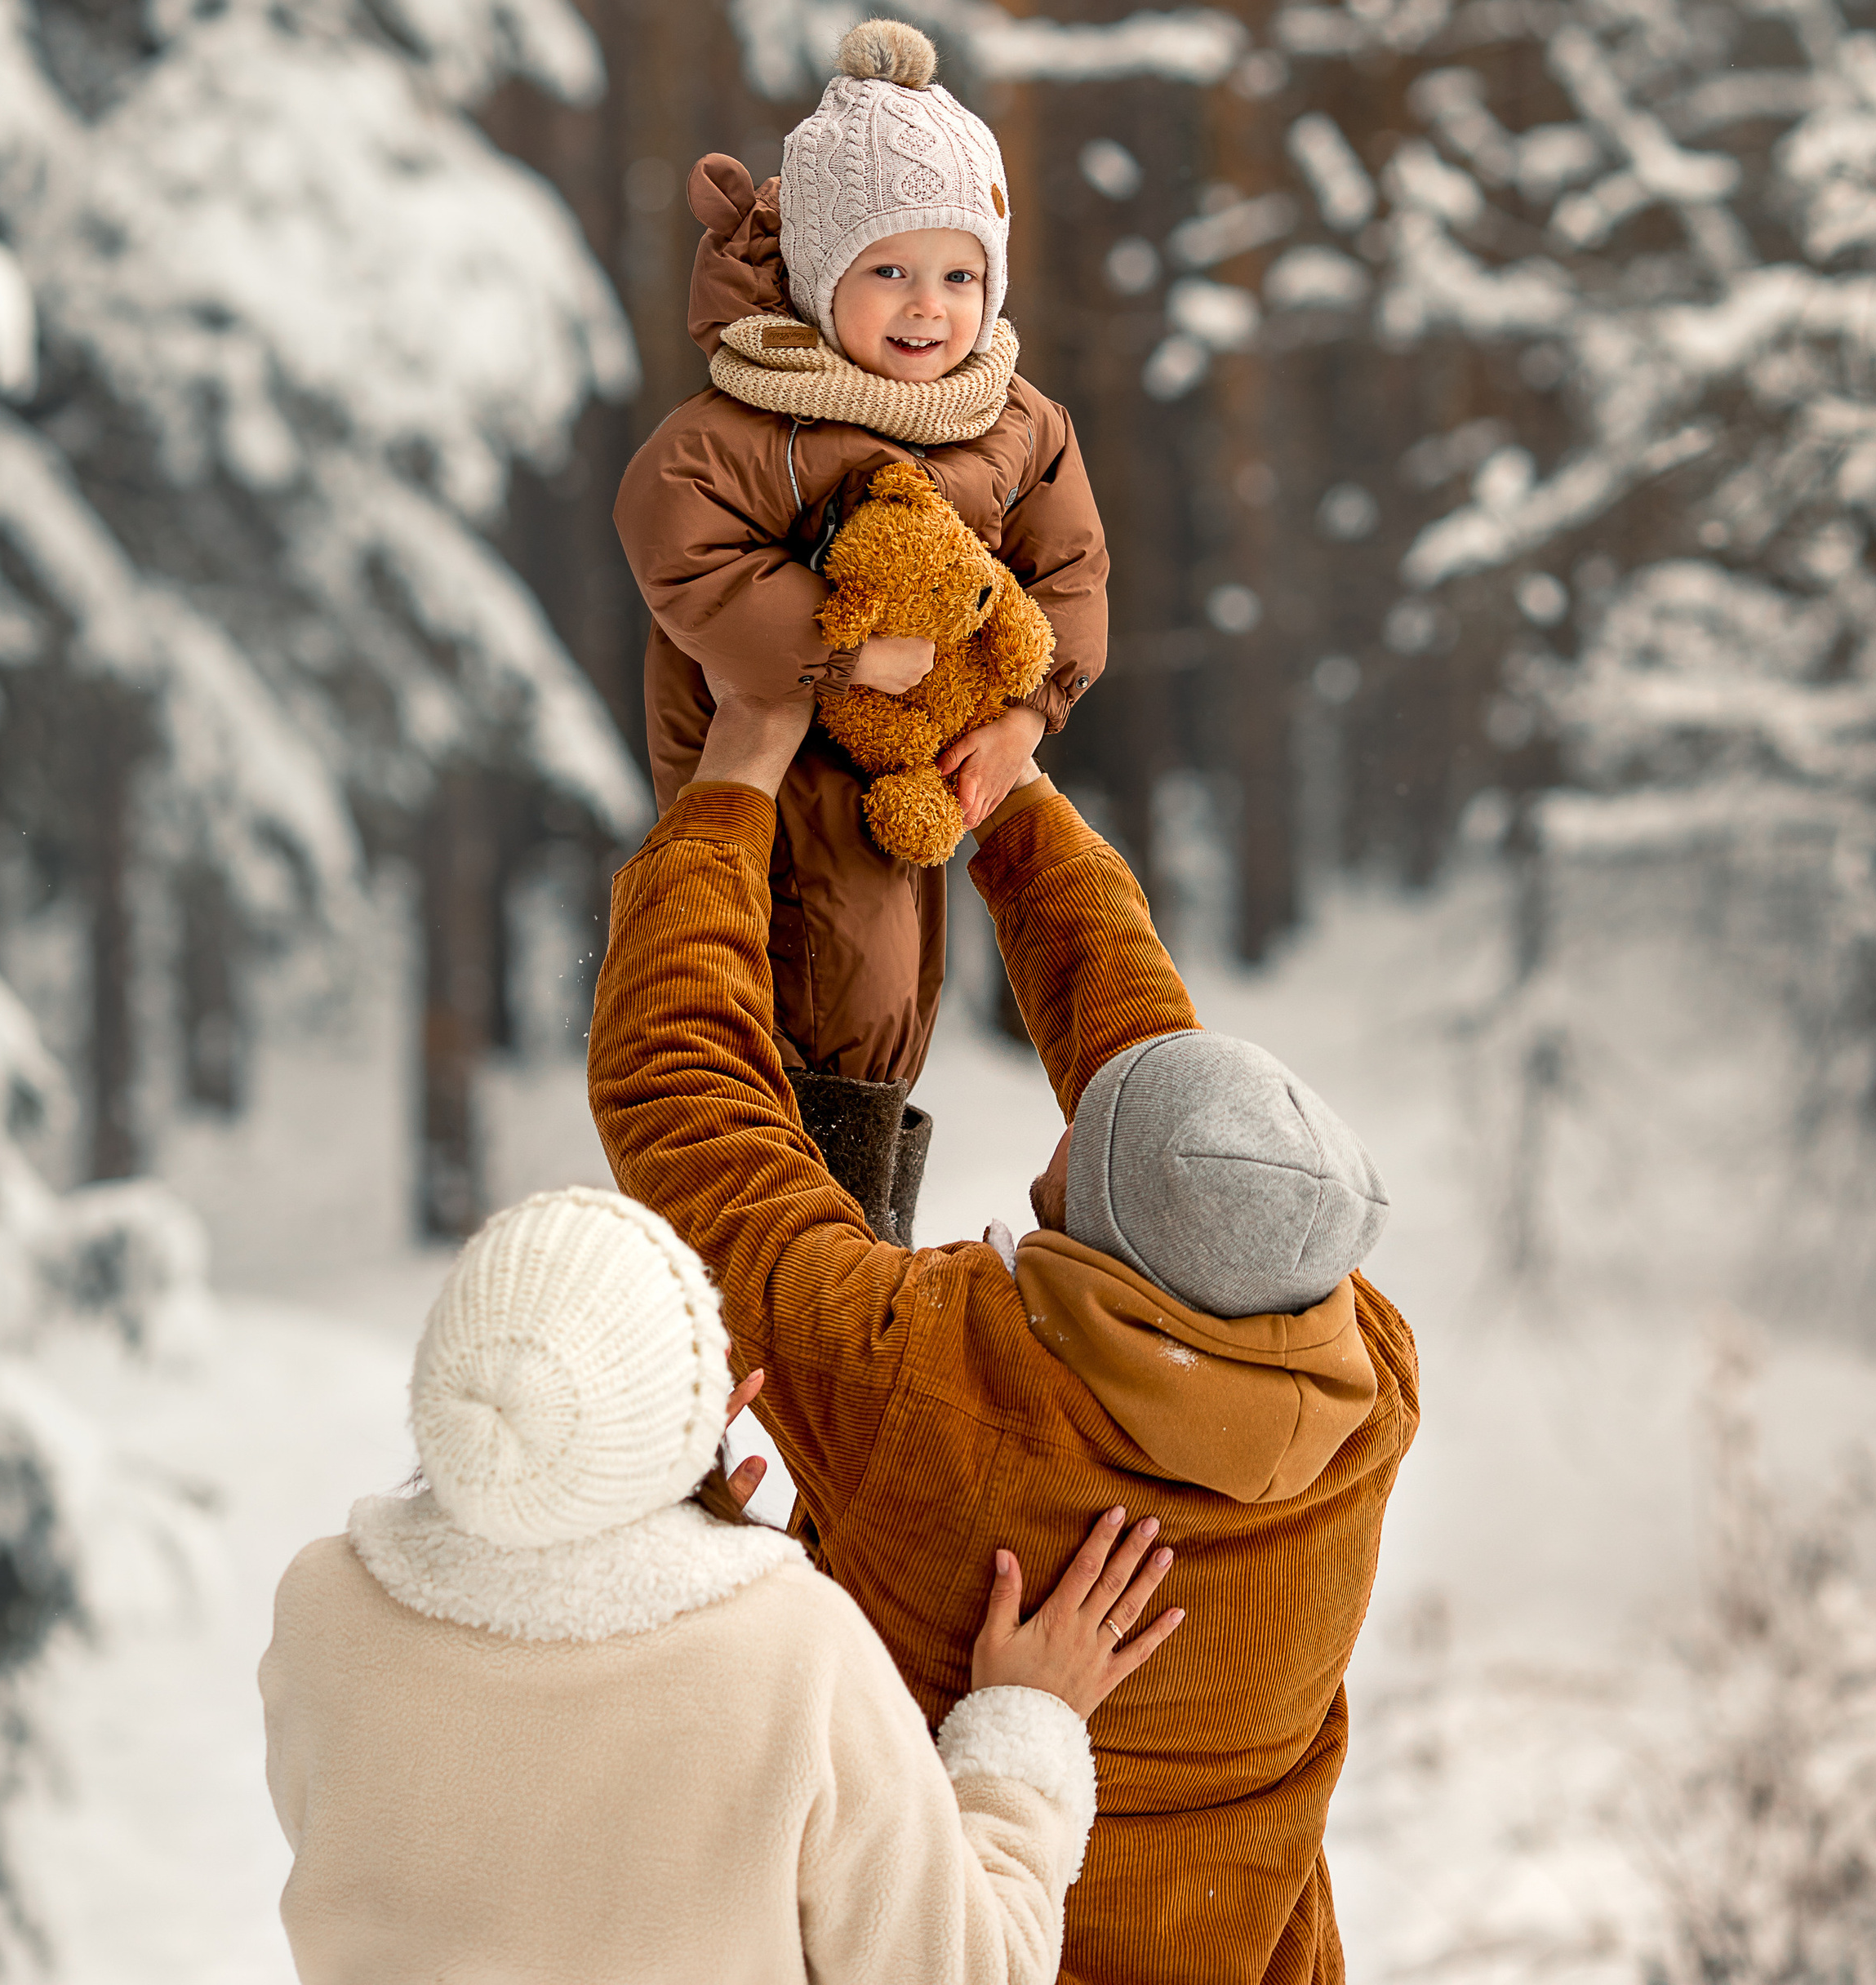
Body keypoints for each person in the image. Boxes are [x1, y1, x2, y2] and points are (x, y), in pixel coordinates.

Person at [588, 691, 1420, 1985]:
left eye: (1081, 1152)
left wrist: (734, 781)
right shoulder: (1365, 1394)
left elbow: (679, 1089)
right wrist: (1017, 804)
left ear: (1108, 1236)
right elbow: (1177, 1121)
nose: (1065, 1132)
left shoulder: (922, 1383)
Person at [259, 1183, 1183, 1985]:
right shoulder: (791, 1650)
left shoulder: (321, 1610)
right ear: (702, 1407)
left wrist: (663, 1534)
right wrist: (1024, 1728)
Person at [613, 16, 1108, 1243]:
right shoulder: (762, 418)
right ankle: (792, 1231)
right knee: (797, 972)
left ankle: (858, 1225)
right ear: (820, 275)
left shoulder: (1011, 417)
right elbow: (675, 536)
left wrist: (1026, 709)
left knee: (891, 983)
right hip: (777, 754)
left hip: (914, 770)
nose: (928, 309)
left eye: (959, 276)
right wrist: (835, 648)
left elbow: (1070, 565)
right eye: (889, 272)